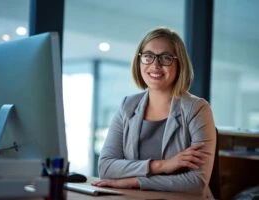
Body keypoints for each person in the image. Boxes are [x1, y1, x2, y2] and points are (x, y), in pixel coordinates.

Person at [92, 27, 216, 198]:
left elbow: (196, 182)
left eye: (165, 58)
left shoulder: (197, 109)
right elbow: (106, 167)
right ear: (139, 61)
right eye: (148, 56)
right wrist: (161, 166)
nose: (155, 65)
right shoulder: (127, 106)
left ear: (179, 64)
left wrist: (134, 181)